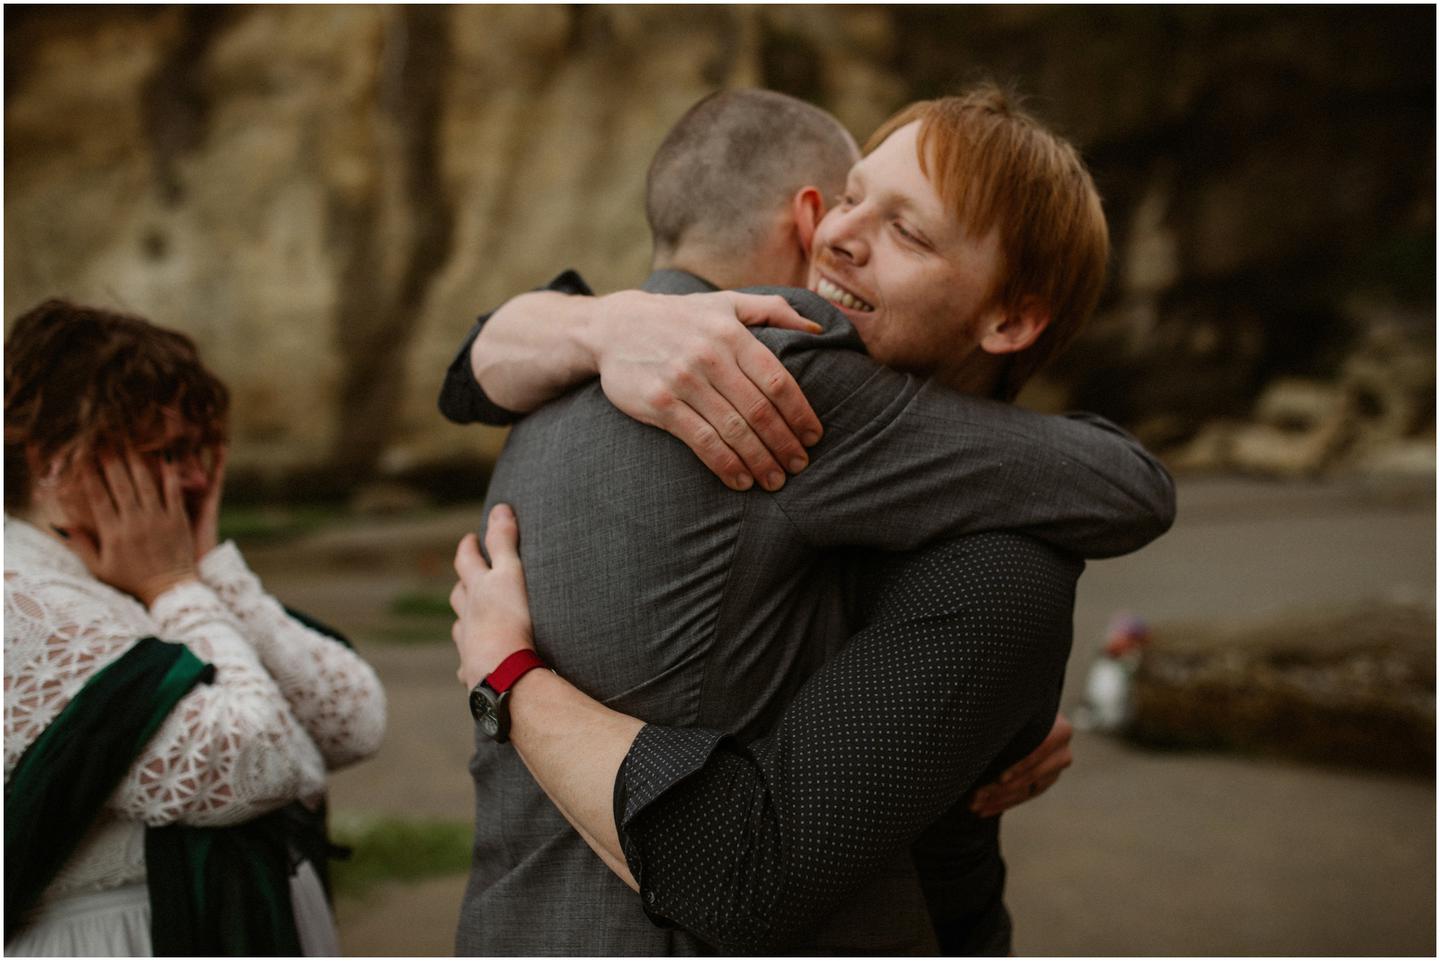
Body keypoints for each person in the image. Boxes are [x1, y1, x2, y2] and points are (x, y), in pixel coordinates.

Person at [440, 87, 1173, 954]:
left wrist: (994, 716)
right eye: (854, 195)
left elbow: (467, 373)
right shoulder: (783, 378)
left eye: (908, 229)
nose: (841, 234)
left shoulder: (565, 385)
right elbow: (1136, 486)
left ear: (1010, 316)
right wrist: (509, 678)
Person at [3, 300, 386, 956]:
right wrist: (174, 587)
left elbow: (352, 719)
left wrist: (203, 568)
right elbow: (259, 763)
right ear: (51, 462)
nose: (199, 477)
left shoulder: (120, 577)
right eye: (165, 452)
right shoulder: (25, 603)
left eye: (200, 451)